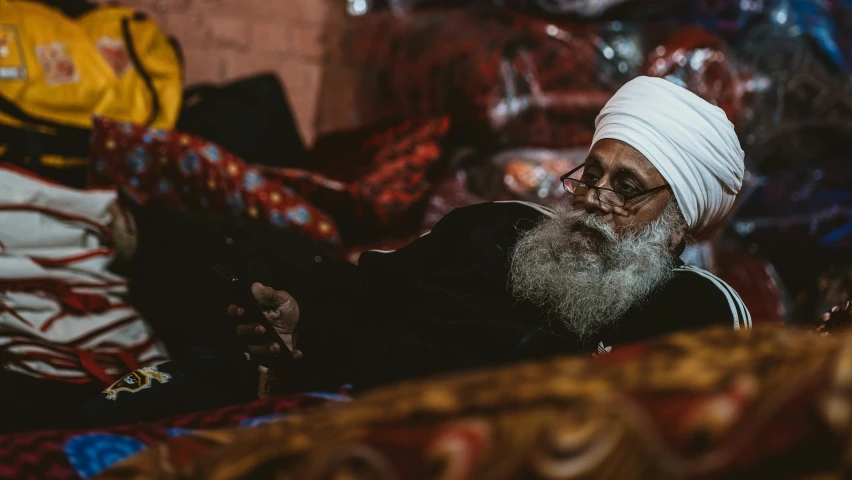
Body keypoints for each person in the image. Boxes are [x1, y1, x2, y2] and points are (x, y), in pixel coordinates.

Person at [229, 76, 751, 392]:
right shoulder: (497, 227)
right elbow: (371, 289)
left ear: (678, 218)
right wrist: (306, 319)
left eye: (626, 187)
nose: (594, 198)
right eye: (591, 175)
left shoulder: (696, 308)